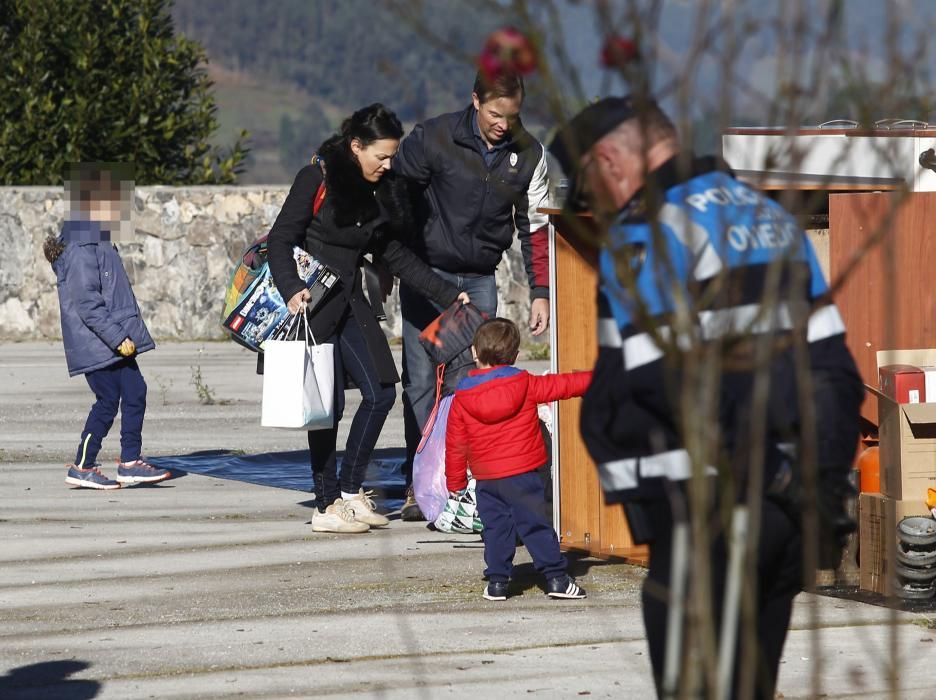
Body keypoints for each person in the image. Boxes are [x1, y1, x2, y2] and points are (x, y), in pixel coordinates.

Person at [547, 97, 863, 698]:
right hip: (788, 515)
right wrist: (811, 483)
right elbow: (836, 373)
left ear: (609, 160)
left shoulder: (646, 235)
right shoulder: (771, 219)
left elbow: (651, 382)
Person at [266, 103, 470, 534]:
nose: (388, 164)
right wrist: (290, 290)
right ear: (356, 146)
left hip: (351, 301)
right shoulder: (316, 179)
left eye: (392, 156)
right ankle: (326, 507)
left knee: (380, 392)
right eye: (381, 156)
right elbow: (282, 238)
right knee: (325, 407)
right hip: (311, 305)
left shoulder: (381, 191)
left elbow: (393, 254)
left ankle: (349, 491)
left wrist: (449, 294)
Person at [392, 70, 551, 521]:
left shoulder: (530, 152)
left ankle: (465, 483)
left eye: (513, 116)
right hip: (428, 275)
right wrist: (391, 266)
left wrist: (540, 290)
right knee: (422, 381)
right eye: (495, 114)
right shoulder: (435, 138)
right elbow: (398, 202)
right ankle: (419, 481)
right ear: (475, 100)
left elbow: (534, 225)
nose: (504, 124)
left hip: (481, 279)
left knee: (474, 385)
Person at [43, 163, 171, 490]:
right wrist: (118, 338)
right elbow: (87, 303)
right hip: (99, 343)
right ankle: (83, 466)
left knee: (133, 391)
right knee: (108, 399)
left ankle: (129, 462)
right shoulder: (82, 245)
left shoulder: (95, 238)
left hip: (108, 341)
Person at [445, 318, 592, 601]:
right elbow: (562, 385)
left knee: (495, 528)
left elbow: (455, 443)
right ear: (514, 355)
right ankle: (556, 579)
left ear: (474, 353)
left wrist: (455, 481)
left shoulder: (463, 395)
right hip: (524, 473)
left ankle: (498, 582)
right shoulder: (523, 383)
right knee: (536, 525)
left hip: (487, 478)